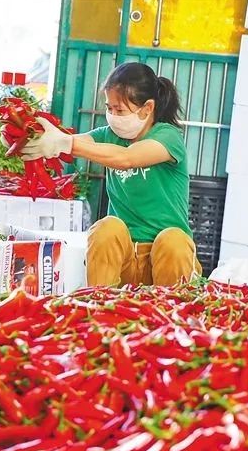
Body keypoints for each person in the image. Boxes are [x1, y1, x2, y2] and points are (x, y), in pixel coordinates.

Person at [14, 62, 201, 286]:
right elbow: (70, 142)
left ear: (147, 108)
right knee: (107, 227)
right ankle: (99, 306)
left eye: (119, 110)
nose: (112, 116)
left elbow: (126, 158)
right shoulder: (108, 135)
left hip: (168, 261)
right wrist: (25, 137)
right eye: (109, 108)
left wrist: (66, 143)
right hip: (125, 260)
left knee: (174, 240)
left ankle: (173, 313)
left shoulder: (168, 136)